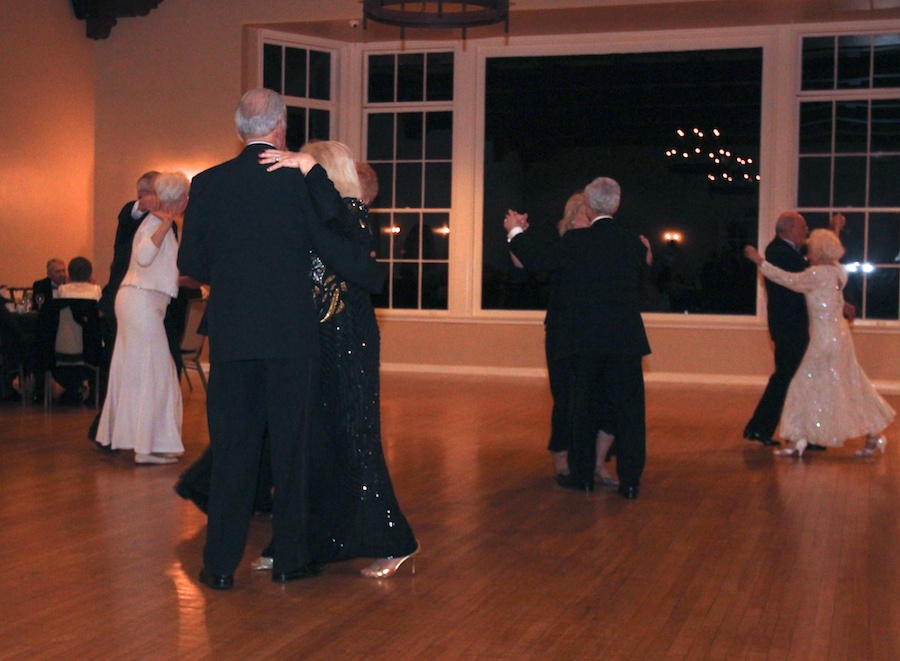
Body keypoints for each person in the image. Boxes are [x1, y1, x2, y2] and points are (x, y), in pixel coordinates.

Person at [178, 88, 383, 591]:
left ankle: (220, 565)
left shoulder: (207, 183)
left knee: (232, 452)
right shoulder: (298, 184)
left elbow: (192, 266)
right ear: (281, 127)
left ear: (239, 128)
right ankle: (290, 558)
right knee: (292, 450)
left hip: (232, 337)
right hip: (292, 337)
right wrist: (311, 171)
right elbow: (338, 227)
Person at [255, 140, 419, 578]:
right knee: (313, 443)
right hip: (313, 340)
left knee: (354, 439)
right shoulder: (309, 214)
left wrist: (309, 170)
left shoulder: (350, 214)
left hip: (348, 339)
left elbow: (352, 264)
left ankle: (394, 540)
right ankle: (302, 540)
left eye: (309, 168)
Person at [506, 177, 651, 498]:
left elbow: (537, 261)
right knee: (629, 413)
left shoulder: (575, 243)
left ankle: (583, 476)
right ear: (616, 204)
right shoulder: (633, 244)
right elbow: (642, 278)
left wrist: (514, 230)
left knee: (582, 410)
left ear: (587, 203)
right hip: (625, 342)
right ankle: (630, 482)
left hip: (583, 340)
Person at [744, 230, 894, 457]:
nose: (808, 250)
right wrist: (843, 305)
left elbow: (787, 279)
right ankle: (874, 436)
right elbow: (834, 297)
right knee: (849, 385)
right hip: (840, 336)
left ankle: (797, 440)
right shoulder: (838, 272)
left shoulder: (816, 274)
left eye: (811, 247)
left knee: (801, 385)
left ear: (819, 251)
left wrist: (759, 261)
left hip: (824, 338)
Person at [95, 172, 188, 465]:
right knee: (156, 371)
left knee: (139, 370)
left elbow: (165, 268)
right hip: (140, 302)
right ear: (178, 198)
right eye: (186, 195)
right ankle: (146, 447)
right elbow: (145, 256)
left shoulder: (162, 223)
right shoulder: (155, 221)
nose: (188, 201)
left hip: (142, 301)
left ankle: (140, 441)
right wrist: (165, 223)